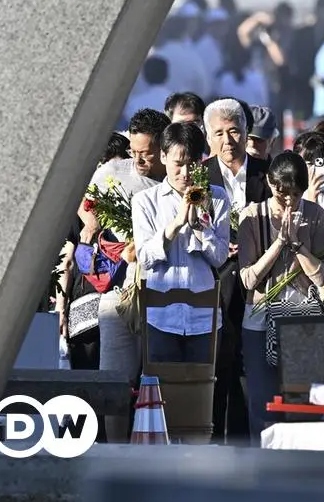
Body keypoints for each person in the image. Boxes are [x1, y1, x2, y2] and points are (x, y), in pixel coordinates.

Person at [82, 111, 170, 443]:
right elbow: (85, 200)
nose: (138, 160)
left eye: (145, 153)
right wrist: (93, 224)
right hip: (118, 291)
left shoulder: (175, 178)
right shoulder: (112, 171)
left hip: (162, 290)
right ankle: (115, 450)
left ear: (163, 146)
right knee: (113, 380)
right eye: (133, 151)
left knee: (160, 378)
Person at [237, 151, 324, 447]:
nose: (288, 200)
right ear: (269, 183)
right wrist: (279, 243)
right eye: (281, 192)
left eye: (295, 193)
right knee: (262, 402)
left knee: (302, 401)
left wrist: (299, 245)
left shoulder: (315, 215)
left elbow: (322, 277)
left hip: (302, 317)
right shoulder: (252, 217)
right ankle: (262, 463)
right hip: (261, 316)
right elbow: (249, 279)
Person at [131, 122, 230, 364]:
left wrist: (201, 230)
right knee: (162, 392)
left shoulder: (216, 197)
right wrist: (174, 225)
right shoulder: (145, 201)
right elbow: (144, 258)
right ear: (163, 157)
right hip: (161, 316)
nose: (185, 173)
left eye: (192, 164)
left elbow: (219, 258)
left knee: (202, 391)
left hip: (203, 318)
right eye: (178, 164)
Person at [203, 98, 270, 443]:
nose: (228, 140)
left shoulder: (266, 172)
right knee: (220, 363)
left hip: (261, 278)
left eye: (234, 131)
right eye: (219, 133)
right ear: (208, 137)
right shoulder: (200, 176)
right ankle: (213, 438)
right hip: (218, 280)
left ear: (246, 133)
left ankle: (250, 440)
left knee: (252, 365)